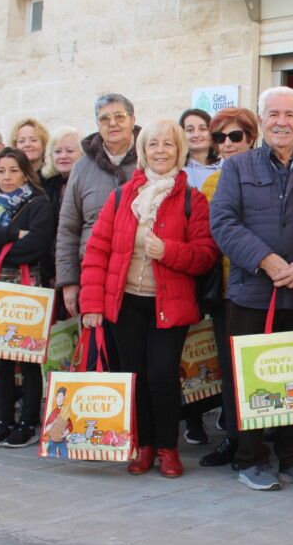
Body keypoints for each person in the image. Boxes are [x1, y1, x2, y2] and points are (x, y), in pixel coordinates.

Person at [79, 119, 218, 478]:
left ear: (179, 151)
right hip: (125, 303)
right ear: (143, 151)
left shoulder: (192, 200)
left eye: (168, 144)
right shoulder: (122, 197)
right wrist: (91, 305)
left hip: (169, 304)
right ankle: (144, 447)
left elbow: (206, 255)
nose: (160, 151)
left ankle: (169, 449)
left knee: (162, 377)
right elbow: (97, 252)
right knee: (135, 376)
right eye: (153, 144)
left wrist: (168, 251)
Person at [210, 87, 293, 492]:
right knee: (252, 379)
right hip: (251, 292)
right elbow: (223, 223)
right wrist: (266, 260)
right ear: (261, 122)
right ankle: (251, 457)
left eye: (290, 115)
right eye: (274, 114)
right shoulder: (237, 168)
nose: (282, 121)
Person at [0, 147, 56, 447]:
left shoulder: (38, 203)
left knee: (28, 359)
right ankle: (5, 421)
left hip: (28, 292)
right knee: (1, 359)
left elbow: (34, 247)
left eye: (13, 170)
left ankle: (27, 424)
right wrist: (10, 235)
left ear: (25, 172)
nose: (6, 177)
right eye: (1, 171)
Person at [197, 106, 259, 468]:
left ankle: (265, 443)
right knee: (229, 369)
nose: (227, 143)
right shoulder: (211, 182)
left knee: (261, 367)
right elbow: (213, 236)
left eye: (235, 136)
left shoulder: (267, 174)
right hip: (225, 291)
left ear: (251, 137)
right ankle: (234, 439)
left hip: (262, 286)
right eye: (219, 137)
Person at [56, 93, 140, 323]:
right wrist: (69, 282)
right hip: (94, 279)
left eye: (119, 116)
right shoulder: (82, 167)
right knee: (99, 354)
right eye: (104, 119)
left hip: (139, 278)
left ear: (133, 119)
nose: (113, 123)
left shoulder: (150, 158)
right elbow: (68, 228)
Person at [40, 126, 81, 239]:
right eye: (57, 151)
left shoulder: (88, 184)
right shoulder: (46, 186)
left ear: (82, 154)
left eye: (70, 151)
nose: (63, 156)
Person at [180, 108, 220, 192]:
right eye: (190, 130)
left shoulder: (224, 168)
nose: (196, 135)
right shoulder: (177, 171)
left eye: (202, 129)